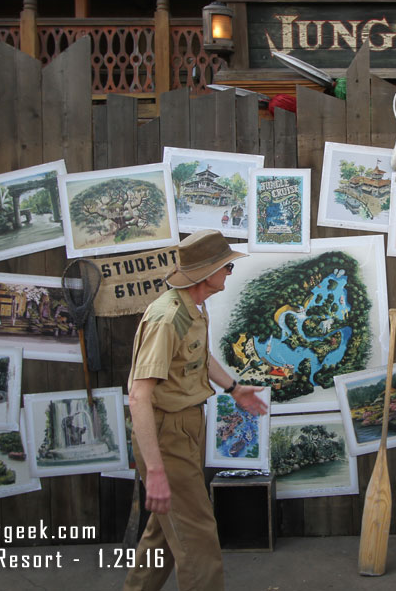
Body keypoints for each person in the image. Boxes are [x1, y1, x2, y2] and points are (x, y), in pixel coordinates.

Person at [123, 230, 268, 591]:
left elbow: (197, 358)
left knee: (167, 532)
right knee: (198, 538)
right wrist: (154, 470)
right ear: (207, 274)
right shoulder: (167, 318)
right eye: (228, 267)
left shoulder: (193, 310)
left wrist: (233, 389)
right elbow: (139, 395)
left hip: (185, 428)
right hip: (166, 434)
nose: (230, 273)